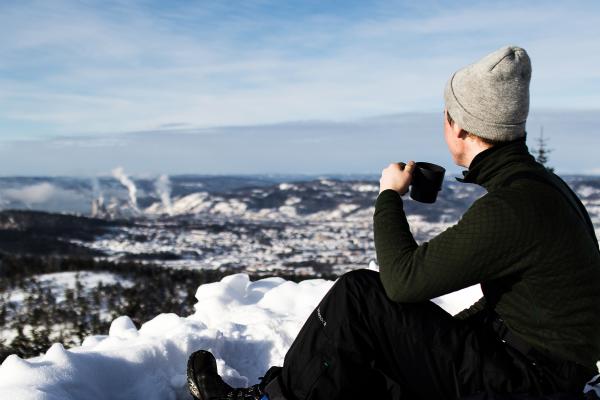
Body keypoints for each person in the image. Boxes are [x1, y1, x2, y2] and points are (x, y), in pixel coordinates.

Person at [186, 46, 600, 400]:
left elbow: (402, 280)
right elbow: (516, 306)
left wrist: (389, 196)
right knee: (385, 343)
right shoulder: (543, 190)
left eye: (447, 115)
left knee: (359, 294)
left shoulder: (514, 207)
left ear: (460, 127)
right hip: (538, 370)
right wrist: (420, 340)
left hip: (528, 383)